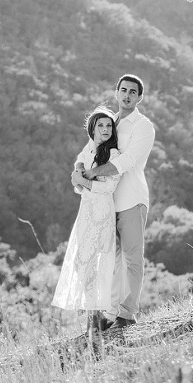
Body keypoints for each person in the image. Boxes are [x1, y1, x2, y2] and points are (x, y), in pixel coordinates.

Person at [76, 74, 155, 330]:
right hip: (106, 202)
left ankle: (127, 314)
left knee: (132, 258)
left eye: (133, 92)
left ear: (140, 97)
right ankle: (109, 314)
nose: (127, 95)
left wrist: (92, 174)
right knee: (111, 259)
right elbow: (89, 151)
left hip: (131, 200)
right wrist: (79, 171)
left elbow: (128, 161)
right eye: (123, 90)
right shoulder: (109, 122)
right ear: (116, 92)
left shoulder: (142, 126)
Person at [51, 106, 125, 324]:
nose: (105, 129)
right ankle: (94, 313)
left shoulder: (113, 154)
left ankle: (98, 315)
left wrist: (81, 180)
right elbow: (78, 178)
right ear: (92, 129)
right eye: (100, 125)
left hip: (102, 210)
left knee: (98, 260)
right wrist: (78, 174)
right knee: (82, 261)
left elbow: (107, 187)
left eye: (109, 125)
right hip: (85, 210)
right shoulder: (89, 149)